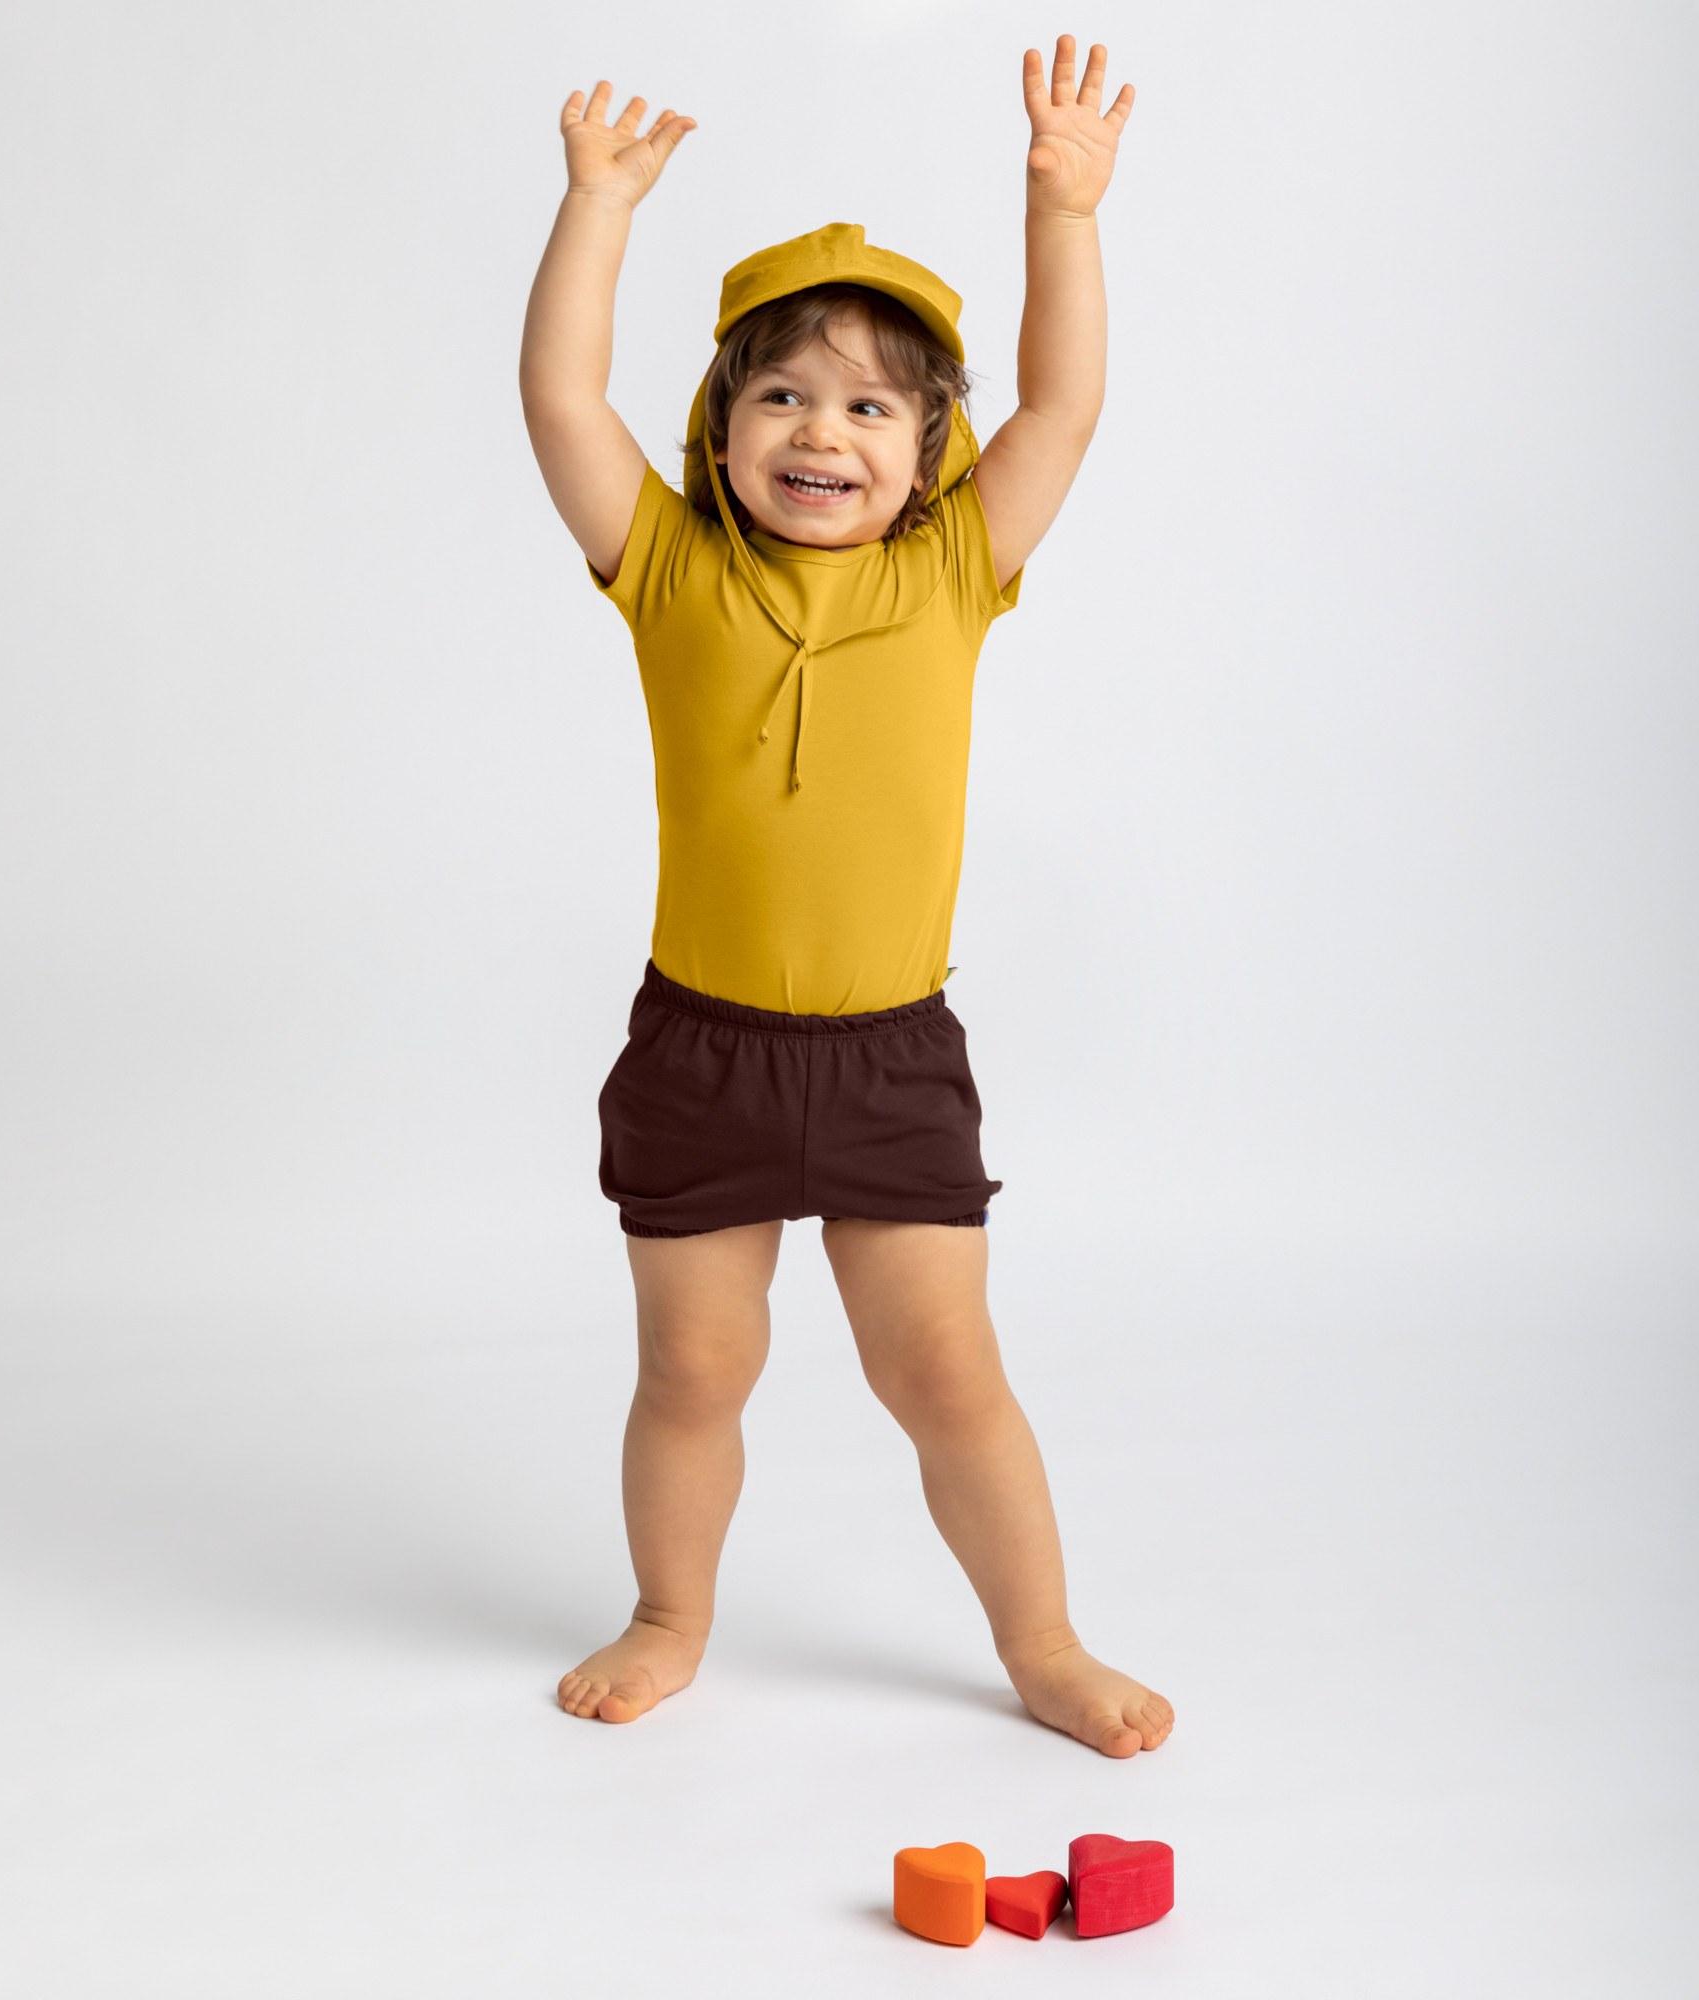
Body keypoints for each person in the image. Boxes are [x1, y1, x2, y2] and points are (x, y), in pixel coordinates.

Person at [518, 39, 1169, 1757]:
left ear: (931, 448)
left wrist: (1066, 215)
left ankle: (1041, 1644)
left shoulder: (958, 565)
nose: (825, 430)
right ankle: (670, 1612)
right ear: (720, 430)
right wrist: (596, 215)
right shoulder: (666, 568)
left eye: (874, 405)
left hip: (889, 1060)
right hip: (705, 1053)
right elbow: (565, 407)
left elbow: (1070, 408)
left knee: (946, 1376)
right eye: (785, 395)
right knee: (696, 1372)